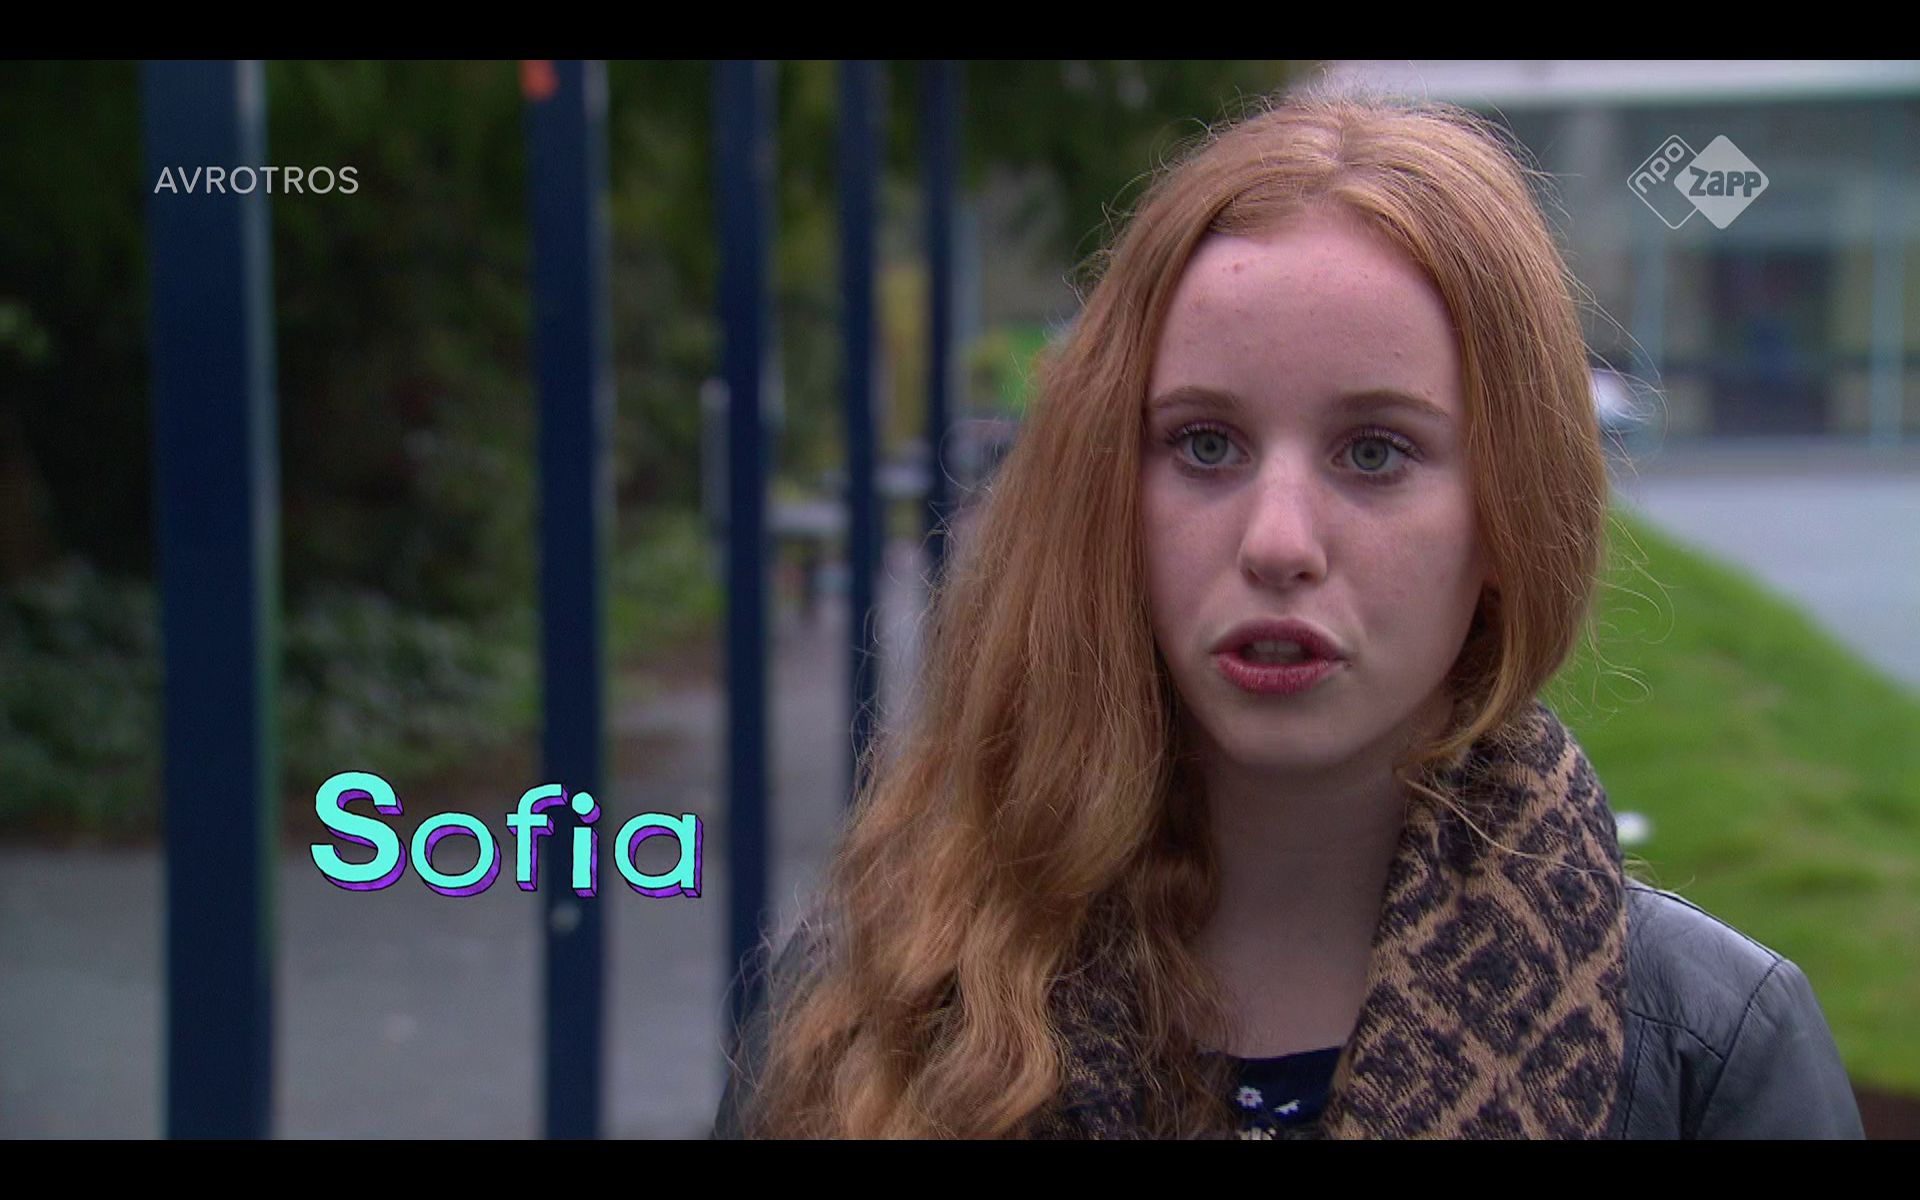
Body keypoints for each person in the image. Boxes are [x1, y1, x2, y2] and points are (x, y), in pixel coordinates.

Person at [712, 91, 1864, 1139]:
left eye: (1375, 452)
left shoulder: (1706, 1052)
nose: (1276, 542)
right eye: (1205, 445)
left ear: (1508, 516)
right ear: (1110, 489)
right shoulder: (880, 1007)